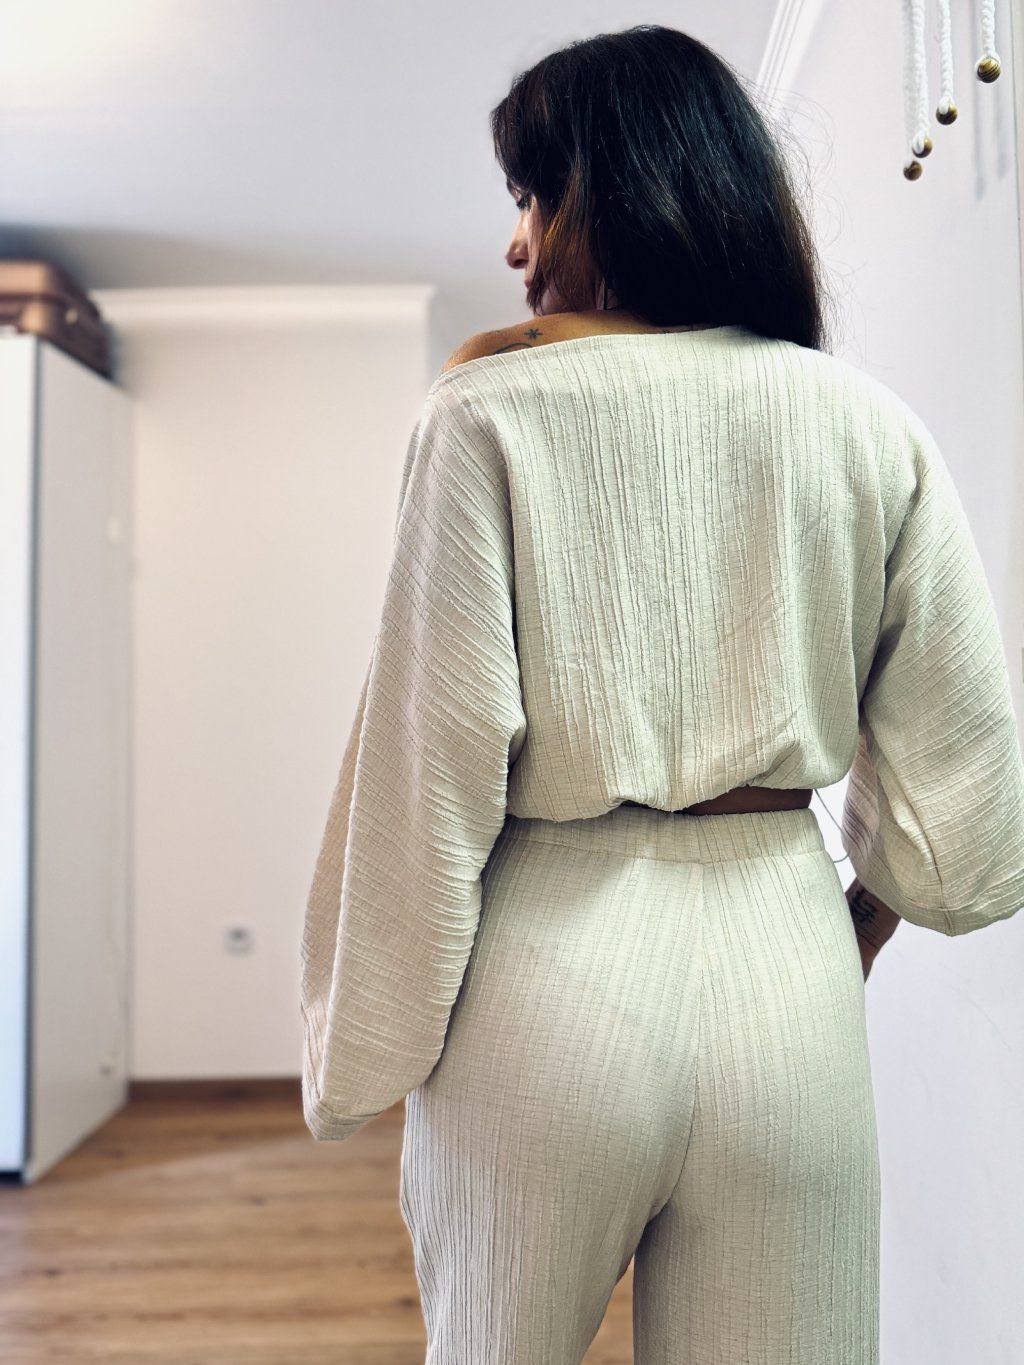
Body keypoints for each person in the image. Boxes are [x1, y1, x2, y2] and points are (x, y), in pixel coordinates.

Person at [299, 23, 1024, 1364]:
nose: (516, 243)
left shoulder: (486, 416)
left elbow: (429, 767)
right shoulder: (865, 423)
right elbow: (965, 782)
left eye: (532, 194)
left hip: (548, 973)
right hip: (786, 976)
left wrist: (367, 1041)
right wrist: (855, 923)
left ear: (612, 189)